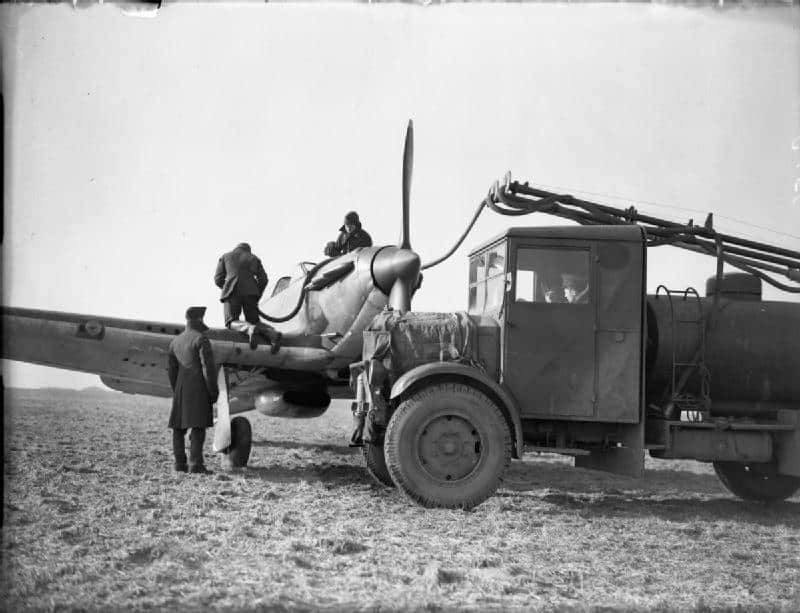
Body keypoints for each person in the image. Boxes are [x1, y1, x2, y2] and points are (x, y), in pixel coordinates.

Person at [168, 306, 218, 474]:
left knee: (178, 428)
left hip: (180, 389)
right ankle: (195, 464)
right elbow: (208, 369)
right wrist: (213, 391)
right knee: (198, 427)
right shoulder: (201, 339)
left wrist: (177, 390)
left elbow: (172, 371)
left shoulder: (175, 342)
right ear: (199, 320)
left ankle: (179, 464)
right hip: (199, 388)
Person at [214, 242, 282, 352]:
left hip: (232, 291)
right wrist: (256, 293)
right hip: (251, 292)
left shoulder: (226, 256)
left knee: (231, 321)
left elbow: (218, 279)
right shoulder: (254, 258)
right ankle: (272, 334)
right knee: (254, 320)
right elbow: (264, 279)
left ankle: (249, 328)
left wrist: (228, 289)